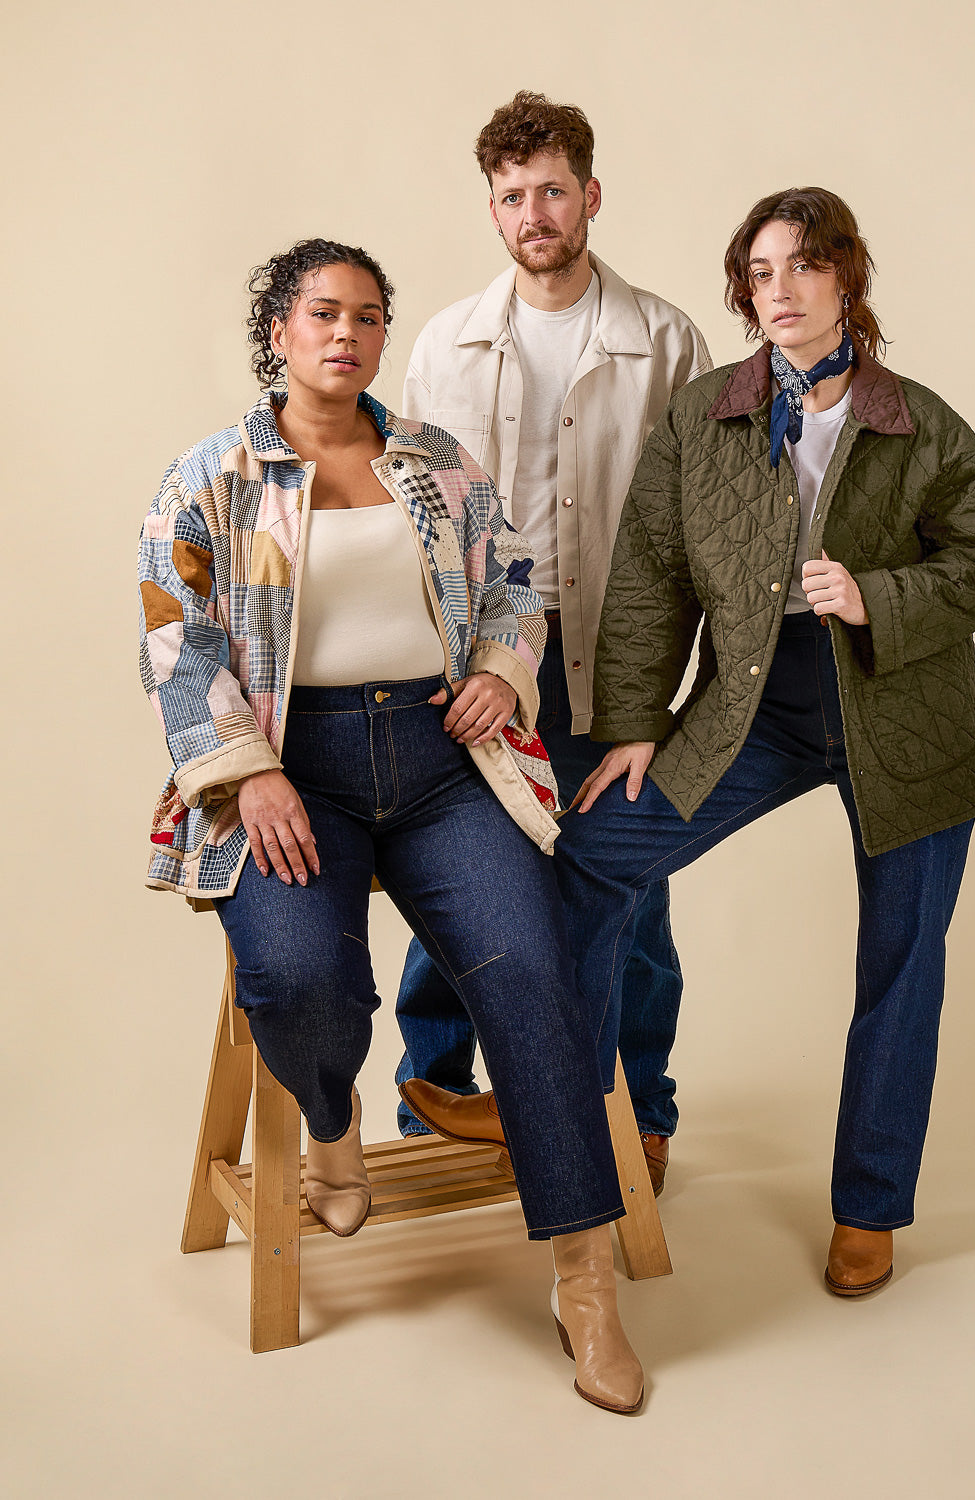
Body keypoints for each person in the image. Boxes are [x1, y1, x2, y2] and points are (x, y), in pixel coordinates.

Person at [137, 238, 643, 1413]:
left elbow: (514, 580)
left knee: (535, 973)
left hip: (440, 761)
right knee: (297, 976)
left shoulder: (434, 461)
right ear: (277, 332)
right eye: (323, 313)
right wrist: (249, 774)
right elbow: (176, 640)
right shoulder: (210, 477)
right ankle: (332, 1120)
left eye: (367, 317)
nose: (346, 334)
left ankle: (586, 1281)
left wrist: (503, 673)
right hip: (291, 768)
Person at [545, 186, 975, 1295]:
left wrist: (876, 596)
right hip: (754, 706)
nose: (780, 291)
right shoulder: (704, 414)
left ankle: (870, 1206)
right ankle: (593, 1124)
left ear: (847, 278)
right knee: (595, 858)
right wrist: (633, 726)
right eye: (759, 273)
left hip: (902, 709)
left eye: (803, 266)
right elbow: (652, 573)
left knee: (901, 961)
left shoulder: (918, 420)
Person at [394, 91, 712, 1193]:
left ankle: (640, 1111)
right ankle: (434, 1090)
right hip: (472, 654)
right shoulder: (443, 342)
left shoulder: (665, 339)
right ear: (492, 209)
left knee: (626, 881)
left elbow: (696, 519)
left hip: (615, 651)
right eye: (511, 196)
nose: (534, 213)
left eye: (552, 191)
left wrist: (676, 677)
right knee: (454, 871)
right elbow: (414, 514)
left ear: (591, 196)